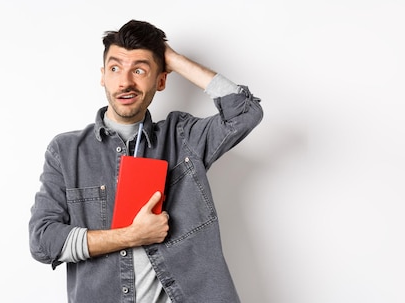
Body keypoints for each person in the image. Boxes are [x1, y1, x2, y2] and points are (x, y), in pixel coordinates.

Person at [28, 19, 263, 303]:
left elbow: (245, 112)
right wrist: (131, 235)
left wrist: (173, 59)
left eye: (140, 70)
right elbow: (43, 242)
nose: (125, 81)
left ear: (161, 80)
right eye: (115, 68)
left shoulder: (182, 137)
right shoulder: (65, 151)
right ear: (103, 76)